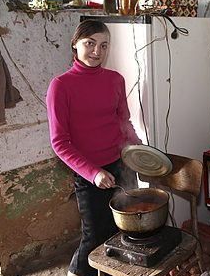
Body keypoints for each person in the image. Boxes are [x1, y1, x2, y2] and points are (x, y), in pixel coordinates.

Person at [46, 19, 141, 276]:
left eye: (104, 45)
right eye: (90, 43)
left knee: (125, 228)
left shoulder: (115, 80)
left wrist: (139, 151)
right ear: (74, 45)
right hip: (90, 174)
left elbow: (124, 122)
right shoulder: (60, 86)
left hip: (122, 165)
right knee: (94, 235)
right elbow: (60, 142)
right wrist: (93, 173)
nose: (97, 51)